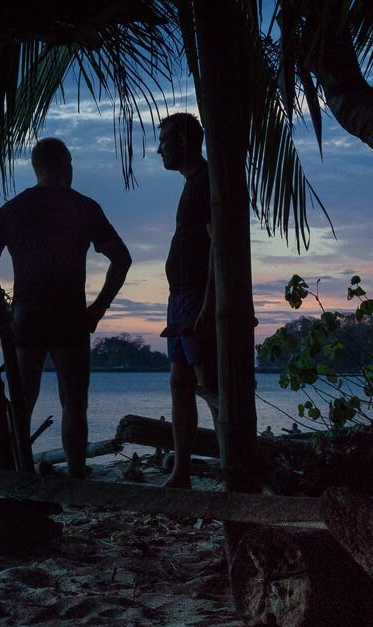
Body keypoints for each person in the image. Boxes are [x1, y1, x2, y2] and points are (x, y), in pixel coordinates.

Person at [0, 137, 131, 478]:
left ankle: (16, 472)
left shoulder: (13, 209)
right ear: (66, 166)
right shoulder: (83, 207)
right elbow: (122, 258)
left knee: (22, 404)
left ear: (36, 167)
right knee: (74, 404)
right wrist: (97, 310)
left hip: (25, 316)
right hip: (69, 315)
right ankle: (75, 475)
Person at [156, 112, 219, 489]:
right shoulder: (190, 183)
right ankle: (182, 471)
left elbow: (216, 247)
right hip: (178, 298)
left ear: (181, 141)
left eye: (163, 141)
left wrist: (209, 305)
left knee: (208, 383)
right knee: (179, 383)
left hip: (196, 297)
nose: (159, 149)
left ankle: (234, 466)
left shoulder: (207, 180)